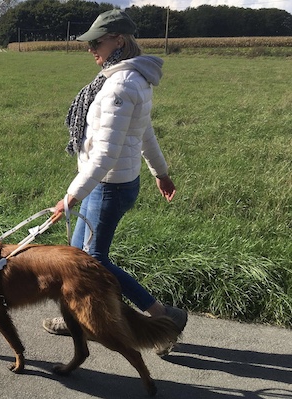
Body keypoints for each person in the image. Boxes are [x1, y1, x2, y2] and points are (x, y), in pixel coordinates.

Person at [42, 9, 187, 355]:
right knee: (75, 257)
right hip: (109, 183)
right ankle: (77, 318)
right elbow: (145, 134)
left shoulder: (120, 85)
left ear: (118, 41)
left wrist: (70, 197)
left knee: (94, 259)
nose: (91, 49)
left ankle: (164, 318)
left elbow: (105, 155)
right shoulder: (124, 78)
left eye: (97, 42)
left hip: (108, 186)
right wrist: (161, 172)